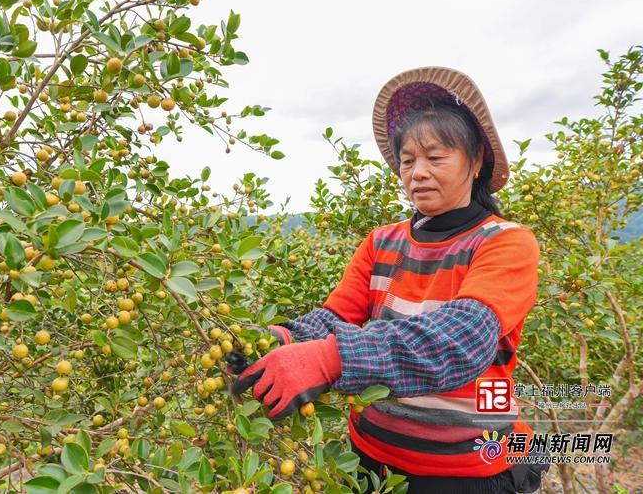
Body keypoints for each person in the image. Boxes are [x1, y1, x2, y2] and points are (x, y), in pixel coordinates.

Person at [230, 66, 548, 493]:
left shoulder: (507, 243)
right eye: (407, 160)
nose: (417, 172)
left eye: (435, 158)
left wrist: (329, 360)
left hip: (467, 471)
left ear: (475, 163)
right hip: (370, 460)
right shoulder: (382, 242)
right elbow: (335, 317)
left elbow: (461, 340)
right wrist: (277, 339)